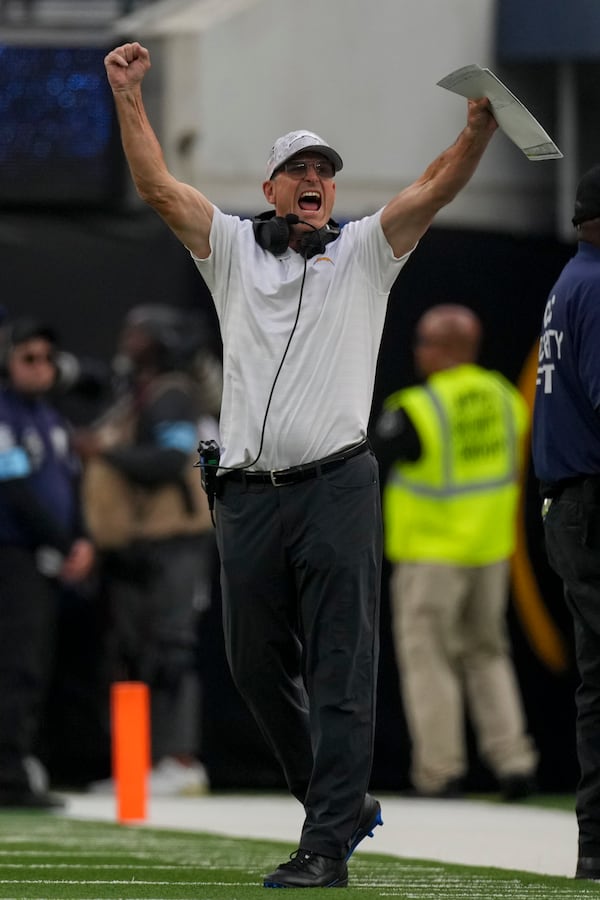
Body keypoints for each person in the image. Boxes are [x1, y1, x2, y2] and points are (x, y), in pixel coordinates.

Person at [104, 40, 497, 888]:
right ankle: (339, 805)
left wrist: (474, 132)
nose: (314, 176)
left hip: (337, 488)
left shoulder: (365, 253)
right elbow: (158, 189)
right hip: (245, 495)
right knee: (251, 666)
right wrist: (130, 95)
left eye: (325, 167)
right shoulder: (235, 251)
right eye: (299, 167)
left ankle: (326, 846)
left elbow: (431, 188)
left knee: (341, 668)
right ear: (272, 188)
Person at [373, 304, 539, 802]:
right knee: (488, 653)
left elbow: (373, 456)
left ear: (445, 349)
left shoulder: (418, 408)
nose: (418, 351)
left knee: (429, 660)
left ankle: (440, 771)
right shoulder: (505, 397)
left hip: (431, 554)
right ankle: (515, 763)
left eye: (425, 342)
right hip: (489, 549)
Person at [73, 304, 218, 797]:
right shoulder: (133, 394)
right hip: (138, 545)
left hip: (175, 542)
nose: (127, 339)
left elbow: (169, 459)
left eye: (139, 333)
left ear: (162, 341)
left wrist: (104, 452)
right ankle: (135, 768)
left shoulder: (173, 394)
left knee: (171, 649)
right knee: (131, 655)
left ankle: (179, 759)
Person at [532, 164, 600, 882]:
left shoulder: (569, 283)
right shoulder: (599, 286)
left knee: (596, 685)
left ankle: (595, 844)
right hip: (592, 499)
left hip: (569, 505)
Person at [0, 316, 95, 808]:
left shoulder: (55, 421)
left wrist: (81, 540)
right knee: (16, 667)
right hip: (13, 556)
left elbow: (71, 490)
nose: (39, 368)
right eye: (27, 358)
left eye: (46, 359)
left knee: (35, 666)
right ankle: (8, 776)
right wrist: (64, 541)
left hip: (47, 559)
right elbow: (13, 488)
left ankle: (19, 765)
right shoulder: (4, 415)